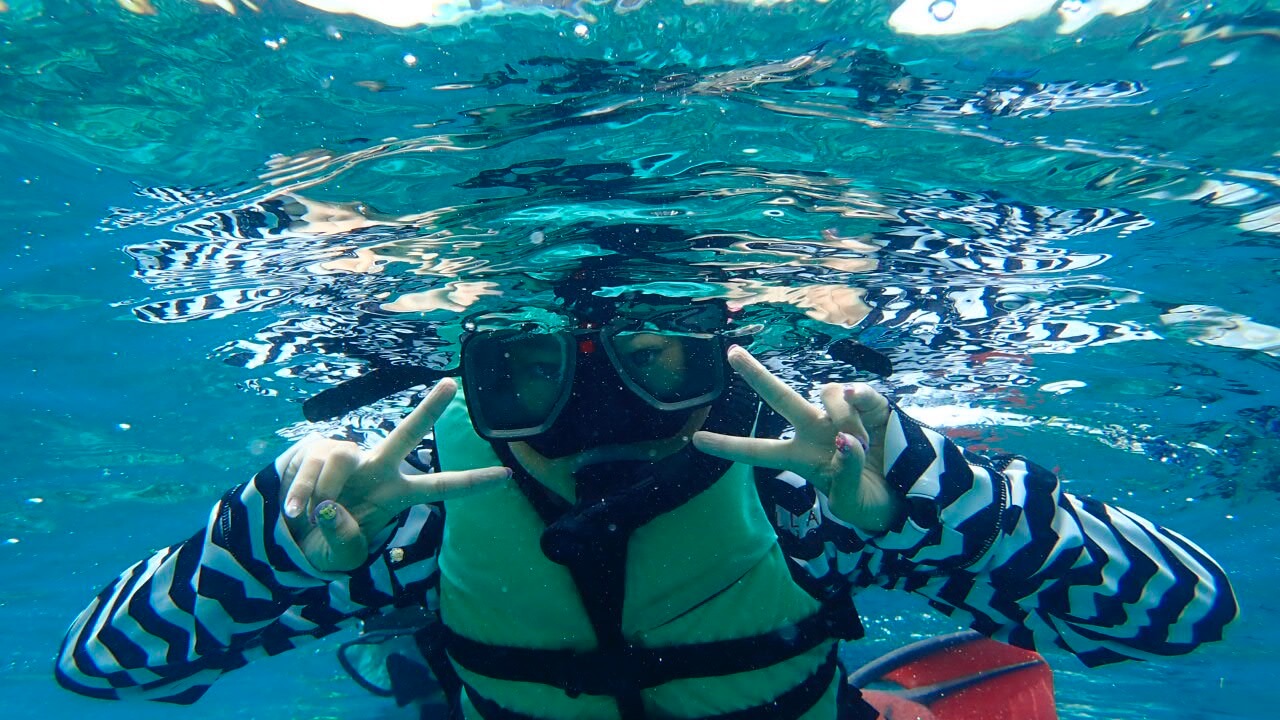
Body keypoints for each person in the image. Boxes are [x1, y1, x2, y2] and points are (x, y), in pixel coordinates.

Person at [55, 285, 1238, 719]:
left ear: (722, 366)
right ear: (470, 383)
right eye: (525, 373)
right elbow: (102, 671)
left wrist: (929, 487)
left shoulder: (811, 495)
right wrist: (273, 539)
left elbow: (1182, 615)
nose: (597, 414)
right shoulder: (406, 518)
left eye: (659, 358)